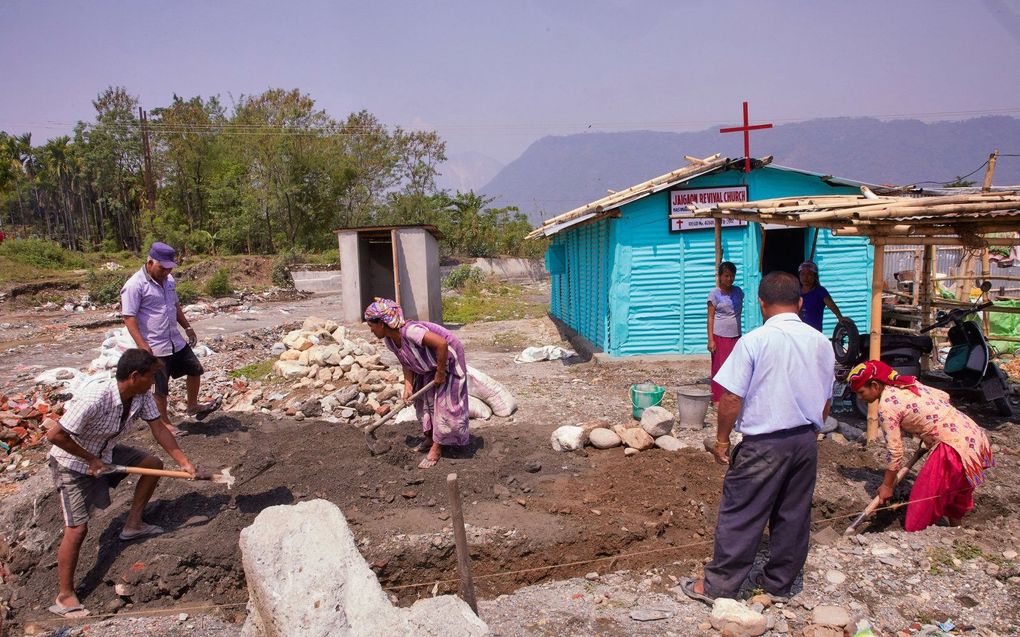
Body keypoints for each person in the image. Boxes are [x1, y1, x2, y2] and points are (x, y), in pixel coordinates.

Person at [683, 271, 835, 605]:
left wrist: (722, 440)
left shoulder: (754, 340)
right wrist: (812, 429)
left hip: (764, 444)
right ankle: (779, 584)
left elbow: (730, 398)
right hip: (805, 442)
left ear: (761, 303)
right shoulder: (821, 343)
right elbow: (826, 400)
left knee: (742, 513)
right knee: (793, 514)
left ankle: (718, 587)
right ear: (799, 302)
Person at [45, 348, 198, 618]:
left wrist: (183, 462)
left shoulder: (141, 396)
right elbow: (55, 435)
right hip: (72, 460)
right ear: (135, 375)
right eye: (151, 376)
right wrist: (91, 460)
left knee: (152, 465)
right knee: (78, 528)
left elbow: (159, 428)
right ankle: (64, 596)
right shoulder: (96, 397)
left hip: (105, 452)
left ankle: (133, 525)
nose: (155, 381)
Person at [848, 360, 994, 532]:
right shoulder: (909, 384)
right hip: (972, 434)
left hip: (951, 446)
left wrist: (887, 486)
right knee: (955, 492)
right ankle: (958, 531)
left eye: (860, 392)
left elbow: (895, 453)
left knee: (921, 506)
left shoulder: (887, 407)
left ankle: (918, 537)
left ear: (874, 385)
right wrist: (927, 428)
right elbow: (943, 396)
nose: (860, 397)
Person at [121, 242, 219, 436]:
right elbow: (128, 318)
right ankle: (164, 423)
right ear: (150, 262)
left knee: (195, 369)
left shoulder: (170, 280)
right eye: (162, 268)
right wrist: (143, 346)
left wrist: (188, 328)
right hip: (154, 344)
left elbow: (175, 307)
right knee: (160, 385)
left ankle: (192, 406)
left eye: (168, 268)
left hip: (174, 339)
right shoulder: (134, 285)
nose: (165, 272)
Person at [363, 298, 470, 469]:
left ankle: (437, 447)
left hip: (446, 360)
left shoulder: (411, 331)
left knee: (444, 404)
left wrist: (441, 372)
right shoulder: (390, 340)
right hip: (426, 365)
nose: (371, 331)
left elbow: (442, 344)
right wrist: (408, 387)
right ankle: (429, 437)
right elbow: (406, 361)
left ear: (382, 324)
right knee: (423, 401)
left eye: (371, 326)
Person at [707, 261, 743, 403]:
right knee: (720, 366)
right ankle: (717, 399)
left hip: (736, 335)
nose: (729, 279)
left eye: (732, 276)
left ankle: (733, 396)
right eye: (726, 276)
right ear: (720, 276)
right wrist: (711, 339)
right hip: (719, 336)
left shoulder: (739, 292)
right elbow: (710, 317)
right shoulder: (714, 294)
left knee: (736, 366)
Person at [798, 260, 843, 333]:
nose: (805, 277)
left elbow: (831, 305)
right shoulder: (796, 292)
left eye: (809, 274)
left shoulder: (820, 291)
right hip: (798, 332)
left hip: (814, 334)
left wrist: (840, 317)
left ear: (815, 276)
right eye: (802, 274)